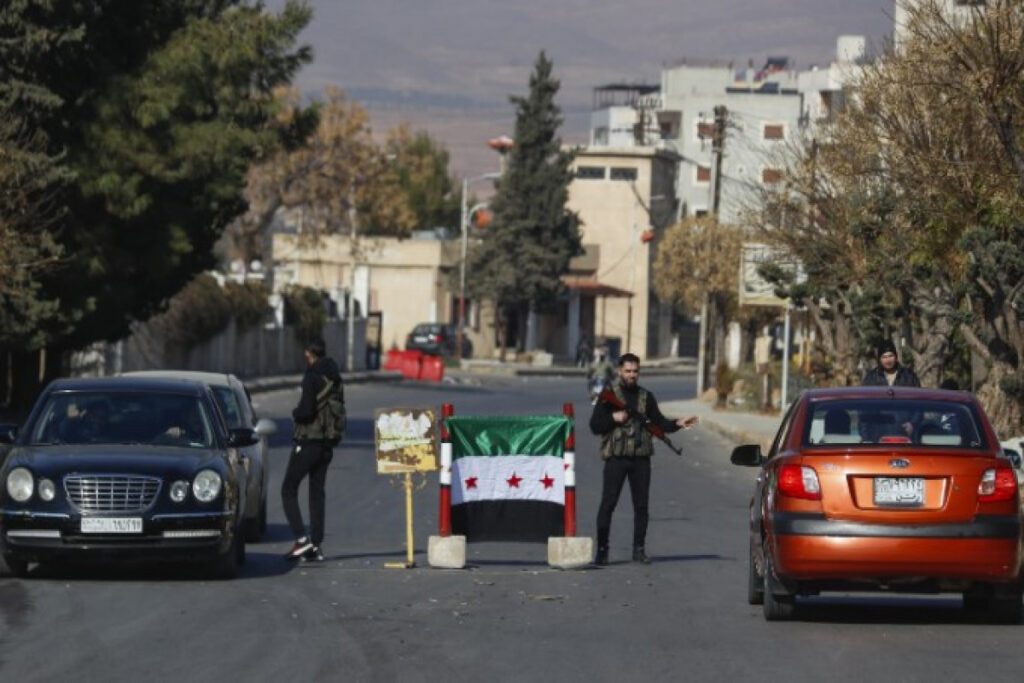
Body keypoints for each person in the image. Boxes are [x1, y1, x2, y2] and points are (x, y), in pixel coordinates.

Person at [589, 353, 699, 565]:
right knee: (608, 504)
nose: (632, 375)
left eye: (635, 371)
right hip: (617, 459)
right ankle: (602, 550)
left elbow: (659, 423)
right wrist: (614, 417)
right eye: (628, 371)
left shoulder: (645, 397)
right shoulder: (609, 395)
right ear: (620, 371)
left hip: (640, 460)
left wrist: (678, 423)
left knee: (641, 506)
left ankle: (639, 549)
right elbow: (595, 425)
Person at [282, 338, 343, 563]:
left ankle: (301, 538)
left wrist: (296, 413)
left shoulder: (311, 376)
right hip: (327, 443)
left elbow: (306, 411)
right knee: (317, 492)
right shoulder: (335, 377)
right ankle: (315, 545)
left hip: (308, 441)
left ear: (309, 354)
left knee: (288, 489)